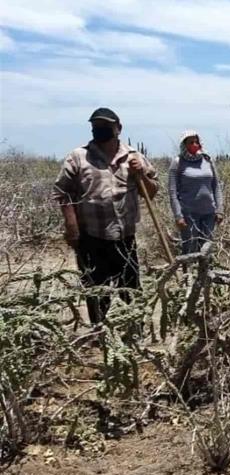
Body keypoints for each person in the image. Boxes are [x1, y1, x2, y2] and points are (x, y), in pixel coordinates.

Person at [53, 107, 159, 325]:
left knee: (130, 287)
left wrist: (140, 174)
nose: (100, 130)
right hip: (91, 237)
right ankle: (100, 331)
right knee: (96, 289)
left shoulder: (133, 157)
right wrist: (72, 227)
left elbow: (151, 191)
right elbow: (62, 192)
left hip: (125, 238)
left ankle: (133, 330)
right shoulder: (78, 157)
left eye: (105, 126)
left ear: (118, 128)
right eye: (96, 126)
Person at [168, 130, 224, 254]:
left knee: (206, 250)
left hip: (209, 214)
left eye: (196, 141)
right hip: (188, 216)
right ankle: (188, 273)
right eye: (190, 142)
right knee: (190, 250)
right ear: (184, 144)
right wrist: (178, 215)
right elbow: (172, 191)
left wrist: (220, 209)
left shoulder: (208, 160)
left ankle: (205, 273)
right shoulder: (178, 162)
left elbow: (216, 186)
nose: (194, 144)